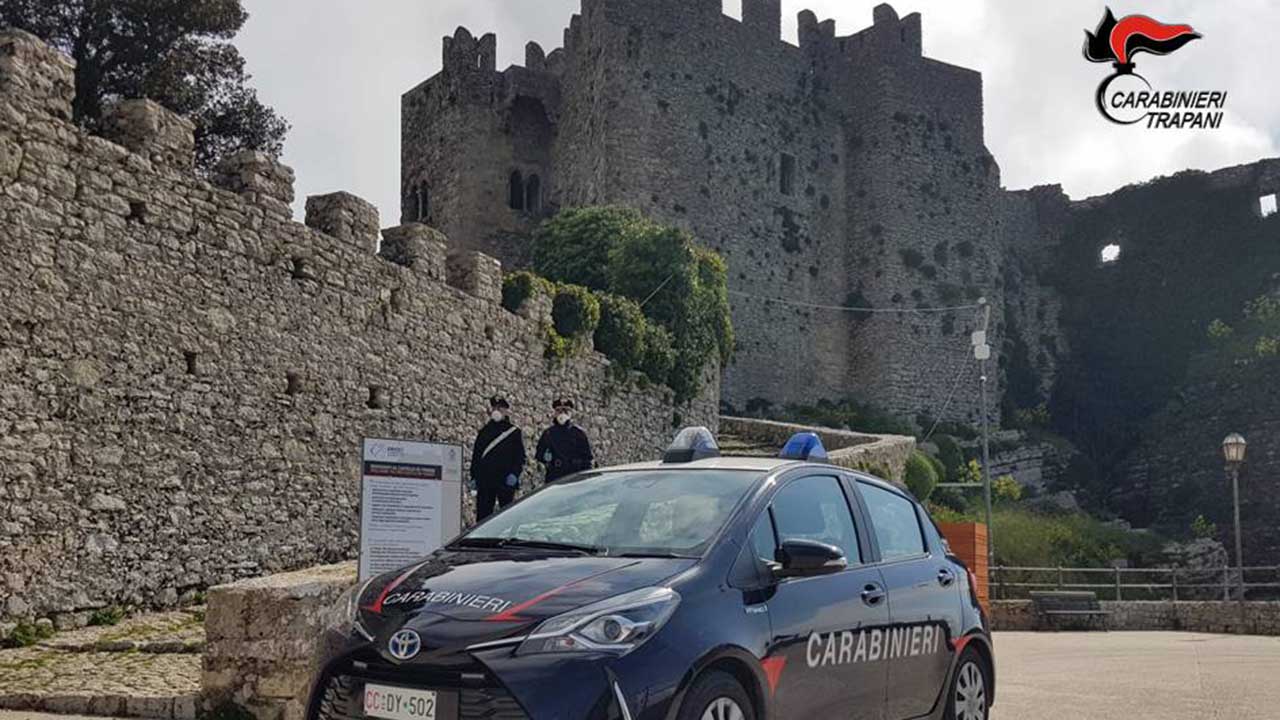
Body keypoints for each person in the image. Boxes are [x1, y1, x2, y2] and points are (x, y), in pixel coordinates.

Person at [470, 396, 526, 521]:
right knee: (483, 517)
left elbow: (520, 457)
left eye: (500, 408)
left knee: (507, 517)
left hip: (505, 481)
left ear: (506, 411)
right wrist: (474, 476)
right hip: (486, 481)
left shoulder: (513, 432)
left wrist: (514, 474)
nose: (496, 410)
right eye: (494, 407)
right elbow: (476, 456)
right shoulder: (484, 432)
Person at [535, 397, 594, 484]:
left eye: (566, 411)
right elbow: (539, 455)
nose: (562, 414)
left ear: (571, 413)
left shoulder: (579, 434)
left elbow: (587, 459)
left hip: (574, 476)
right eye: (559, 411)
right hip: (554, 476)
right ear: (555, 413)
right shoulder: (548, 434)